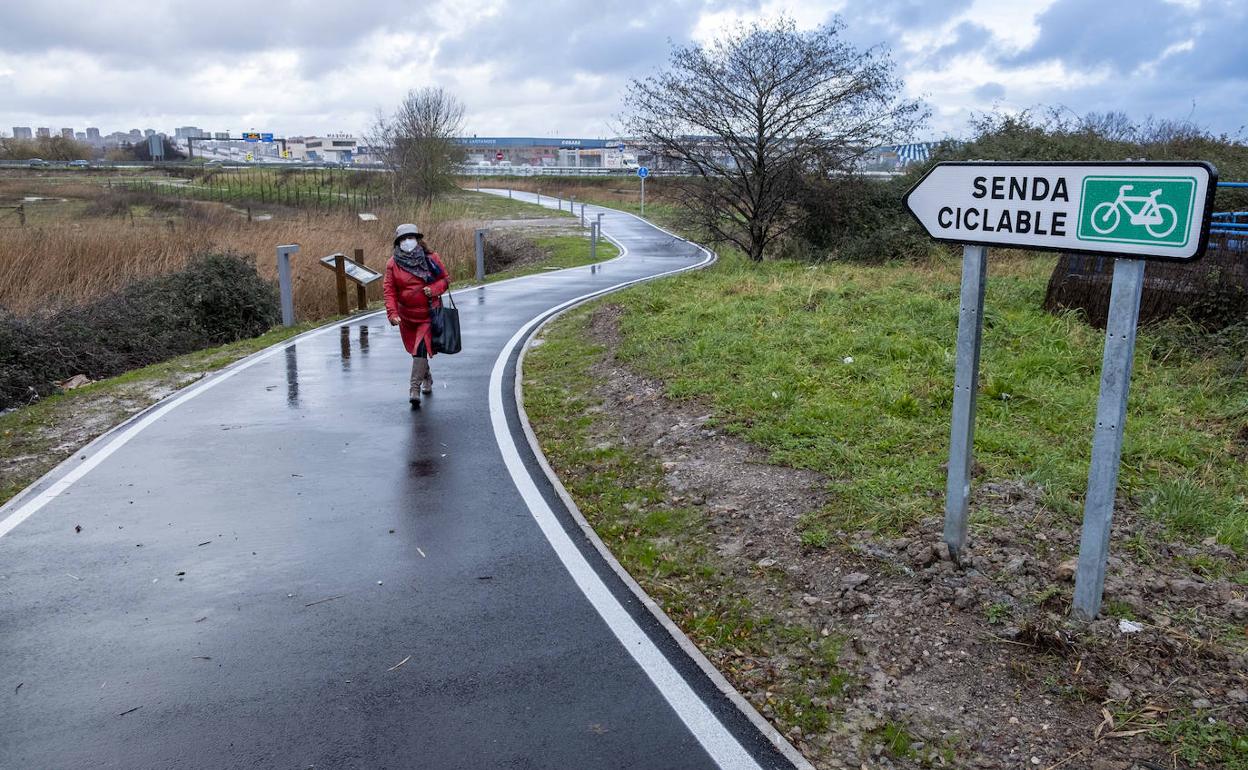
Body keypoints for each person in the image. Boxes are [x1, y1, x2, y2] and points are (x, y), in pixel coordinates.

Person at [382, 223, 451, 406]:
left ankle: (414, 389)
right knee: (416, 352)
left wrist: (434, 289)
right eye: (403, 239)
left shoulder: (431, 258)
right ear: (398, 242)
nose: (407, 241)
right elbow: (389, 291)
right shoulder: (392, 264)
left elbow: (445, 279)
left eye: (410, 237)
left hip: (427, 314)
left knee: (420, 348)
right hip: (406, 317)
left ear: (418, 239)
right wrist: (392, 313)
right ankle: (426, 377)